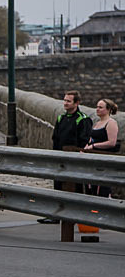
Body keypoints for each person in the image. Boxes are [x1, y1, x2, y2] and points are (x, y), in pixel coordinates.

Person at [39, 90, 93, 223]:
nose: (65, 103)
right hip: (60, 158)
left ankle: (76, 215)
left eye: (68, 101)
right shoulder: (61, 118)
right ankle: (57, 215)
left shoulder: (83, 119)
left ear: (77, 103)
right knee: (58, 185)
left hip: (75, 160)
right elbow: (55, 138)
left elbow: (84, 140)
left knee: (77, 187)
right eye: (64, 100)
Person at [83, 98, 120, 197]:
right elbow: (92, 138)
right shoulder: (97, 123)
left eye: (100, 107)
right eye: (97, 107)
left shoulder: (111, 123)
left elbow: (112, 142)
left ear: (108, 110)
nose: (97, 109)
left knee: (102, 187)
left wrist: (94, 146)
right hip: (93, 159)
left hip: (104, 159)